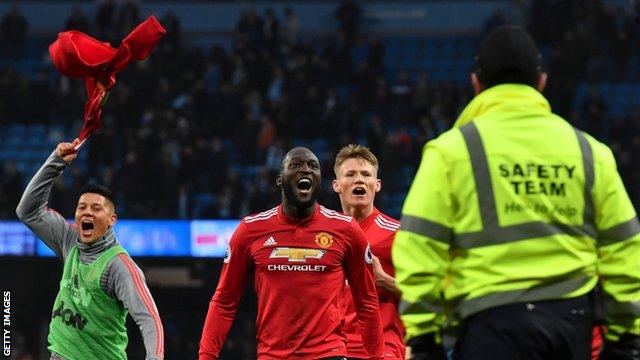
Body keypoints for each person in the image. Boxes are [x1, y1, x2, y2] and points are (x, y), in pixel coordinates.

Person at [392, 25, 640, 360]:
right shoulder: (590, 152)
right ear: (542, 83)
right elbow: (624, 247)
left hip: (488, 327)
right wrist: (625, 335)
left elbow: (420, 248)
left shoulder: (450, 152)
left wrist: (423, 338)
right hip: (570, 326)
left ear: (476, 84)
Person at [199, 146, 384, 360]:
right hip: (273, 356)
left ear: (319, 179)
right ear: (279, 179)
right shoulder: (250, 230)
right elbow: (224, 301)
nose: (305, 170)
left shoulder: (346, 229)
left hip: (328, 354)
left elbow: (366, 301)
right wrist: (206, 357)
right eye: (295, 165)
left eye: (313, 166)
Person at [16, 139, 164, 360]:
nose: (87, 213)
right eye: (82, 207)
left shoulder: (119, 266)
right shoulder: (69, 239)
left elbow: (149, 319)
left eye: (97, 209)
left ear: (112, 219)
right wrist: (55, 162)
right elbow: (27, 211)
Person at [332, 144, 405, 359]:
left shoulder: (397, 235)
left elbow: (428, 295)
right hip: (333, 349)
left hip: (383, 351)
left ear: (377, 184)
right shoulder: (326, 235)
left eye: (366, 174)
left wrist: (383, 280)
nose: (359, 180)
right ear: (336, 185)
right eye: (351, 174)